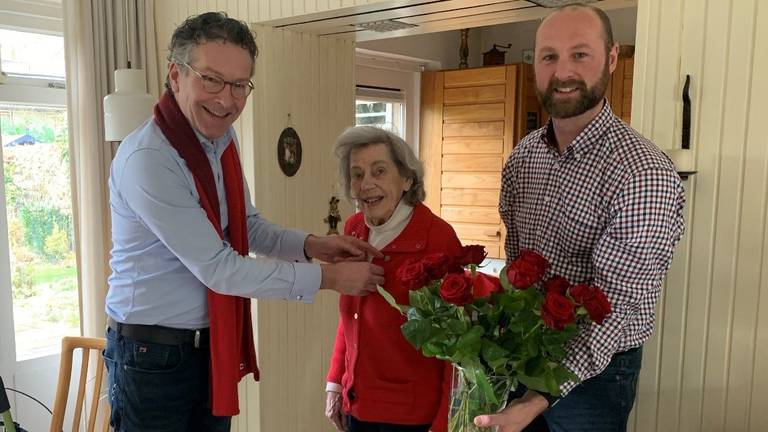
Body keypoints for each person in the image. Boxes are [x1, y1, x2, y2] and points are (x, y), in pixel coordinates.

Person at [103, 12, 385, 432]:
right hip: (151, 355)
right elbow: (219, 267)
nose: (226, 99)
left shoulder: (220, 139)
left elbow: (245, 227)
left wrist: (313, 245)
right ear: (176, 75)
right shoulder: (151, 159)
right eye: (211, 79)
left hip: (207, 345)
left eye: (239, 85)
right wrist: (327, 278)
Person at [475, 4, 686, 432]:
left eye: (580, 54)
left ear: (611, 58)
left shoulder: (642, 173)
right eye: (549, 56)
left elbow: (615, 307)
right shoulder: (523, 157)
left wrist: (540, 395)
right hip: (526, 350)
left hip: (598, 371)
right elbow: (518, 267)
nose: (562, 71)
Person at [324, 126, 462, 432]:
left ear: (407, 178)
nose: (366, 184)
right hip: (357, 403)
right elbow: (350, 316)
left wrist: (443, 423)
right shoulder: (355, 229)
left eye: (379, 171)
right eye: (357, 174)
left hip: (410, 416)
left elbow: (456, 345)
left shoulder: (438, 239)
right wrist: (336, 382)